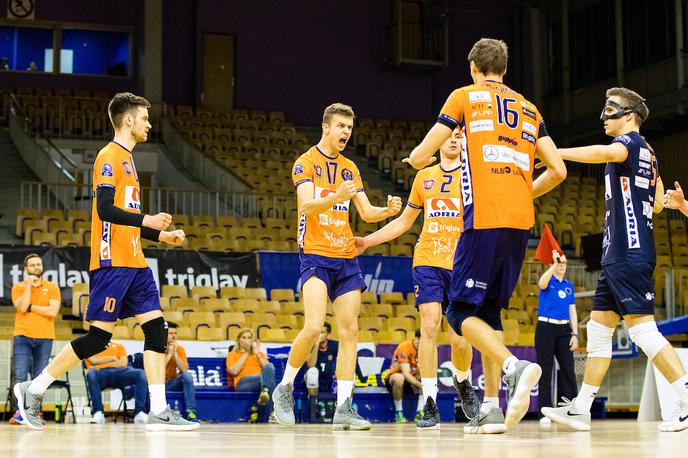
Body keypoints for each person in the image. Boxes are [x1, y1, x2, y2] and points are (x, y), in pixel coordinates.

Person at [404, 38, 567, 432]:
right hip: (520, 220)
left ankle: (515, 366)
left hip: (484, 218)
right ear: (505, 70)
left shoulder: (464, 96)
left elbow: (427, 151)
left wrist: (415, 158)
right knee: (490, 313)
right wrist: (523, 189)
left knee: (458, 313)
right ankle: (492, 407)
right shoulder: (530, 109)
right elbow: (559, 170)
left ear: (474, 68)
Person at [13, 92, 196, 431]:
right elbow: (105, 211)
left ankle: (158, 408)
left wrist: (161, 236)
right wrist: (148, 220)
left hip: (136, 262)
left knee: (158, 329)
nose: (148, 123)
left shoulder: (129, 160)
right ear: (128, 121)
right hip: (112, 263)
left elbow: (124, 221)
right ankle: (33, 388)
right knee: (97, 339)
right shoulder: (108, 157)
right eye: (144, 118)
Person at [542, 87, 688, 433]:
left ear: (630, 116)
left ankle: (685, 396)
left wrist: (554, 152)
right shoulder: (649, 153)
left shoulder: (629, 145)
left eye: (611, 110)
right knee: (598, 330)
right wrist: (675, 202)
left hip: (628, 250)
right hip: (618, 253)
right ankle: (581, 408)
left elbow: (603, 152)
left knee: (643, 332)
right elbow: (655, 203)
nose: (604, 117)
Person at [272, 103, 402, 431]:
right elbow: (307, 206)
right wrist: (335, 196)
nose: (345, 132)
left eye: (349, 127)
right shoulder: (306, 163)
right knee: (315, 326)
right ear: (326, 127)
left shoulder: (350, 168)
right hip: (315, 254)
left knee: (350, 330)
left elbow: (366, 213)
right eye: (341, 126)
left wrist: (386, 211)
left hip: (345, 256)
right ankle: (284, 387)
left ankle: (344, 407)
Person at [355, 128, 479, 429]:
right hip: (427, 260)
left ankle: (462, 382)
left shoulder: (474, 177)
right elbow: (404, 222)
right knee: (429, 326)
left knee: (460, 338)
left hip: (462, 264)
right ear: (436, 142)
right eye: (448, 134)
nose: (453, 139)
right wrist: (368, 241)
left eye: (459, 135)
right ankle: (430, 403)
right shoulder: (425, 178)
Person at [9, 254, 60, 425]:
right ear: (26, 268)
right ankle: (19, 412)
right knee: (20, 375)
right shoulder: (18, 287)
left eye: (39, 264)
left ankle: (34, 412)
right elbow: (21, 307)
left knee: (40, 377)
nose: (37, 267)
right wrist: (29, 286)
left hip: (45, 338)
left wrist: (31, 307)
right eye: (32, 265)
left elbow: (52, 312)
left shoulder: (52, 287)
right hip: (22, 336)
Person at [535, 250, 578, 426]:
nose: (562, 266)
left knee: (568, 369)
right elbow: (541, 283)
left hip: (564, 329)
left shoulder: (569, 285)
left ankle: (571, 409)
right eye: (559, 262)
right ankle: (544, 412)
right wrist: (554, 263)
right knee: (545, 370)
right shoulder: (548, 280)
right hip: (546, 327)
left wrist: (575, 333)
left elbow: (572, 310)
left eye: (564, 263)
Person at [84, 340, 148, 424]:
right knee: (91, 374)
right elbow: (93, 361)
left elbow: (123, 363)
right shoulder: (89, 346)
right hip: (100, 374)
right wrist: (112, 358)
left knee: (141, 373)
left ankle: (140, 412)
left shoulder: (119, 346)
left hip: (120, 373)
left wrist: (100, 362)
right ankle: (98, 412)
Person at [226, 328, 276, 421]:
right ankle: (272, 412)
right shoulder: (232, 354)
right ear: (239, 340)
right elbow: (234, 371)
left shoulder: (259, 354)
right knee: (267, 383)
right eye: (244, 337)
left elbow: (268, 369)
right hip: (242, 383)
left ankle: (264, 391)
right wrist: (246, 353)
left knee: (270, 366)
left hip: (260, 381)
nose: (247, 340)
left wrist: (257, 353)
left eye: (249, 338)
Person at [384, 330, 424, 423]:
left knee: (426, 380)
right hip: (394, 378)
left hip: (410, 380)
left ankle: (419, 412)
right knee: (399, 378)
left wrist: (423, 383)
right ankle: (399, 412)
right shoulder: (405, 347)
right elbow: (405, 373)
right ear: (417, 338)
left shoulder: (424, 351)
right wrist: (420, 385)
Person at [164, 322, 198, 422]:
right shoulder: (157, 348)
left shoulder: (179, 349)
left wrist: (174, 352)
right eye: (171, 333)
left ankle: (191, 412)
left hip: (172, 383)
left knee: (187, 376)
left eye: (175, 333)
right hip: (158, 384)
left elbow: (185, 370)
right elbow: (159, 369)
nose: (174, 336)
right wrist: (169, 354)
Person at [305, 323, 338, 396]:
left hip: (330, 378)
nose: (318, 335)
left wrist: (339, 372)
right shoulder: (310, 345)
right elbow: (311, 365)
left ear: (328, 335)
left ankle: (345, 405)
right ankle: (313, 404)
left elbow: (345, 361)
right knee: (312, 372)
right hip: (315, 380)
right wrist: (316, 344)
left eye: (322, 333)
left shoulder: (335, 346)